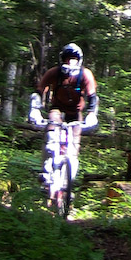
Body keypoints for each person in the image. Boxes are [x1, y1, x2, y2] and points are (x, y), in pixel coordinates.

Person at [28, 42, 99, 185]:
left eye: (73, 59)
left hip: (76, 112)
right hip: (57, 109)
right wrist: (35, 109)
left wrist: (92, 114)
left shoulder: (85, 74)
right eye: (68, 58)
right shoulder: (54, 72)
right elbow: (39, 91)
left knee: (73, 147)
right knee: (51, 137)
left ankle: (68, 182)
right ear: (62, 59)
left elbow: (92, 96)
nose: (70, 62)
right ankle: (46, 171)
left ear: (79, 60)